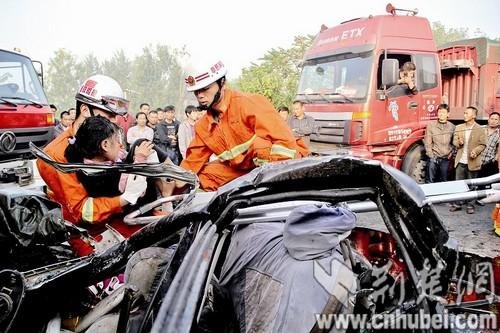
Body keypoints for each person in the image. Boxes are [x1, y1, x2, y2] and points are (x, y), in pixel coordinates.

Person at [36, 74, 142, 255]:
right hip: (85, 233)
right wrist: (126, 198)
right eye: (109, 114)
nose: (115, 121)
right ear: (85, 110)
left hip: (118, 217)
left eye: (116, 115)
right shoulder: (55, 156)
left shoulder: (106, 135)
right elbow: (82, 212)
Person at [180, 60, 308, 191]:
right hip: (243, 171)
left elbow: (286, 145)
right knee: (201, 177)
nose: (200, 96)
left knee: (261, 145)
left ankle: (269, 194)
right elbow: (191, 163)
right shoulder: (203, 126)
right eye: (196, 91)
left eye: (205, 89)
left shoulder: (250, 103)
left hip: (281, 166)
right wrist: (172, 186)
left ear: (222, 83)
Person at [64, 116, 155, 255]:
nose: (120, 145)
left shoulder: (80, 161)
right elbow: (137, 190)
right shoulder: (106, 176)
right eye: (117, 141)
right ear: (105, 145)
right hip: (115, 224)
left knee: (139, 142)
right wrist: (140, 159)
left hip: (96, 222)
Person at [449, 106, 486, 214]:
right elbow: (454, 142)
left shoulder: (480, 129)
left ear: (474, 115)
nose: (464, 115)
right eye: (464, 113)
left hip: (473, 162)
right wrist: (458, 143)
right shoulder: (459, 127)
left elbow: (483, 144)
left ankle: (470, 205)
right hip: (460, 160)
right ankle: (458, 204)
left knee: (472, 184)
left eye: (467, 113)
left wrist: (476, 151)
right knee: (459, 184)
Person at [424, 104, 455, 183]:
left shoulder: (452, 127)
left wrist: (450, 154)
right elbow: (428, 142)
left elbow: (454, 143)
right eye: (439, 112)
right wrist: (431, 156)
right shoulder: (431, 125)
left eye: (443, 112)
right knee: (430, 181)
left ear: (448, 114)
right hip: (434, 157)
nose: (441, 114)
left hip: (445, 158)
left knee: (443, 181)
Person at [479, 112, 500, 179]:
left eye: (496, 119)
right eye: (491, 118)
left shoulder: (499, 134)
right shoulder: (480, 129)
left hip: (489, 164)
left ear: (499, 122)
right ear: (488, 120)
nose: (493, 121)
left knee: (485, 185)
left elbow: (498, 149)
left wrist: (494, 159)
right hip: (476, 162)